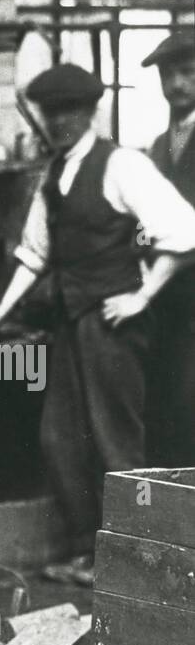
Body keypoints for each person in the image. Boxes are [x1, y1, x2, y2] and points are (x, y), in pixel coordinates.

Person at [0, 63, 195, 586]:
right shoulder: (54, 175)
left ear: (90, 110)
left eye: (68, 111)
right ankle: (86, 552)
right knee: (60, 439)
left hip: (113, 326)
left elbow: (184, 231)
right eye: (51, 113)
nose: (58, 122)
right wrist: (0, 311)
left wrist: (142, 296)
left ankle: (139, 557)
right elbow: (34, 253)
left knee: (117, 441)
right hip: (70, 322)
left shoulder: (121, 164)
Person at [143, 31, 195, 466]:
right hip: (171, 302)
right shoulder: (160, 146)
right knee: (171, 406)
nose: (176, 84)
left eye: (187, 72)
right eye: (168, 74)